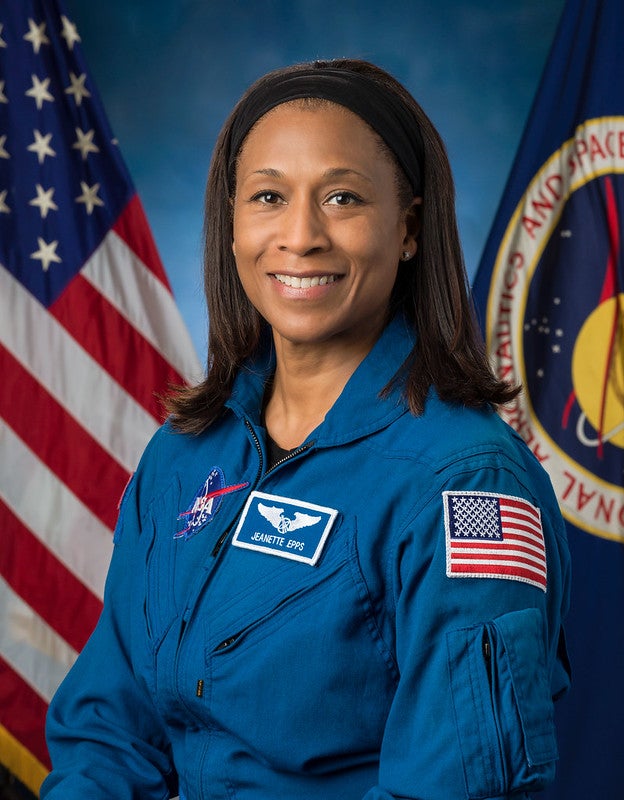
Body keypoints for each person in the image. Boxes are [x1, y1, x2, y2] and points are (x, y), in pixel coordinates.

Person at [41, 58, 571, 800]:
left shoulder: (465, 484)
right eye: (267, 196)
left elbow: (456, 787)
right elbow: (109, 734)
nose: (300, 236)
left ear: (409, 229)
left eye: (343, 198)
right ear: (231, 226)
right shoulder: (185, 455)